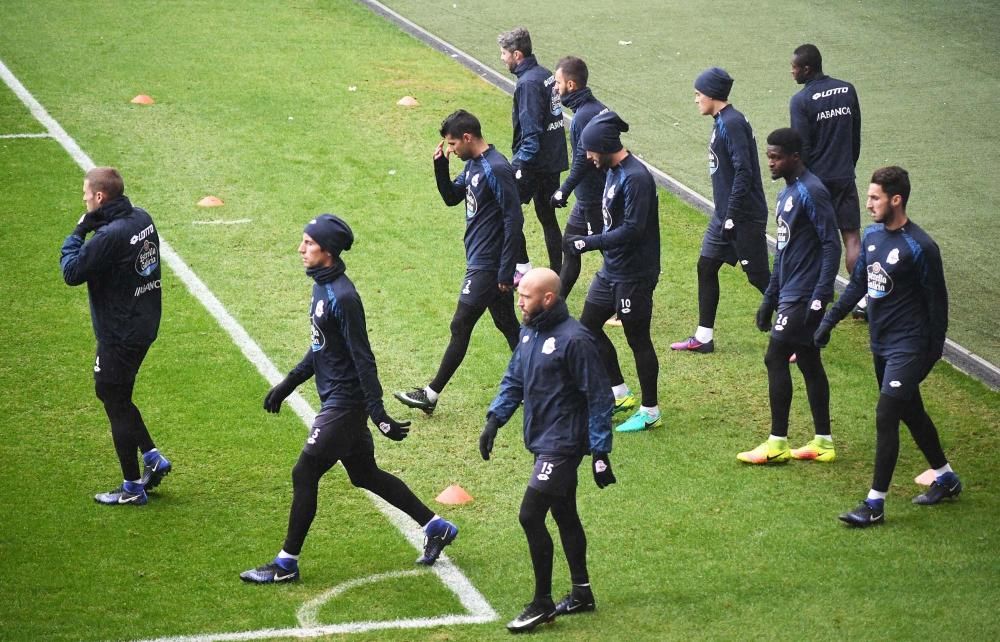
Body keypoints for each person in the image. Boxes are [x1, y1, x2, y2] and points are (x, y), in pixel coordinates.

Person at [241, 214, 458, 583]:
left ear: (327, 251)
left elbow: (363, 357)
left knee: (304, 472)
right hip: (340, 403)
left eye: (308, 243)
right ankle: (436, 525)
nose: (300, 249)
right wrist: (287, 384)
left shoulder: (343, 296)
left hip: (344, 404)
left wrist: (378, 412)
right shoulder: (320, 288)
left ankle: (285, 564)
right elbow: (320, 347)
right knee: (364, 474)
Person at [813, 167, 962, 527]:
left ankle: (874, 505)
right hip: (880, 344)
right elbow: (858, 284)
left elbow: (937, 305)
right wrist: (828, 322)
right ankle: (946, 478)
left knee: (886, 415)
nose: (868, 205)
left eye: (875, 198)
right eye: (868, 197)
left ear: (896, 199)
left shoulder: (921, 247)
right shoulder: (874, 236)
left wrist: (933, 352)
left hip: (910, 348)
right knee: (911, 412)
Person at [479, 268, 615, 633]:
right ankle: (582, 593)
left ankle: (541, 602)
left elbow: (599, 397)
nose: (519, 301)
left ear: (548, 299)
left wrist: (600, 453)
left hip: (563, 445)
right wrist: (495, 418)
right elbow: (514, 379)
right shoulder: (530, 331)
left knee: (530, 514)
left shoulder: (576, 340)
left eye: (525, 295)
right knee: (565, 514)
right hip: (543, 440)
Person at [395, 110, 522, 414]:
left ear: (467, 138)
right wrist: (441, 166)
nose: (451, 149)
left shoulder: (496, 168)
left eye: (452, 144)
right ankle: (542, 381)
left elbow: (514, 219)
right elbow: (452, 197)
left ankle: (431, 394)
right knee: (508, 325)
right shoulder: (475, 165)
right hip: (480, 259)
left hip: (488, 265)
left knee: (460, 323)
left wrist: (506, 270)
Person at [60, 167, 172, 506]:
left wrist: (81, 229)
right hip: (144, 322)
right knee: (116, 395)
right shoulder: (142, 218)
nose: (83, 200)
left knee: (113, 398)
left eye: (85, 195)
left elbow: (72, 271)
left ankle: (132, 487)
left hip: (120, 332)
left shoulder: (108, 236)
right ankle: (153, 457)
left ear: (99, 197)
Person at [737, 129, 841, 464]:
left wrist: (820, 296)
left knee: (775, 357)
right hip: (790, 293)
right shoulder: (787, 194)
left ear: (795, 156)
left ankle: (777, 443)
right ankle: (823, 442)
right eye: (769, 156)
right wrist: (769, 298)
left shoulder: (812, 191)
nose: (771, 162)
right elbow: (782, 252)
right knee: (809, 361)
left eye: (776, 156)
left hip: (805, 295)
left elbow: (831, 243)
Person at [565, 111, 662, 433]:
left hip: (634, 274)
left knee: (638, 340)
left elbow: (633, 230)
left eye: (591, 151)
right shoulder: (612, 171)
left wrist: (588, 243)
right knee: (588, 326)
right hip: (612, 270)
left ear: (605, 146)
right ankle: (619, 392)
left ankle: (650, 411)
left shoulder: (636, 178)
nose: (589, 157)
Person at [671, 67, 770, 353]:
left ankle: (800, 334)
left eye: (698, 94)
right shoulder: (722, 121)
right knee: (706, 265)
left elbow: (744, 171)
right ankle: (704, 338)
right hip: (724, 215)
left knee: (760, 278)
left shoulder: (732, 123)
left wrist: (731, 215)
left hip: (742, 216)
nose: (696, 100)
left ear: (712, 94)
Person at [789, 44, 865, 317]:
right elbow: (855, 136)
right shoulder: (847, 90)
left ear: (807, 68)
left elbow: (801, 148)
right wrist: (848, 165)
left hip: (817, 182)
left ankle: (815, 294)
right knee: (852, 236)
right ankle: (863, 299)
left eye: (794, 67)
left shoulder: (801, 100)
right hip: (844, 175)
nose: (792, 71)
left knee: (815, 241)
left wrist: (802, 182)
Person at [498, 27, 569, 281]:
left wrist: (516, 166)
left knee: (504, 211)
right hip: (553, 160)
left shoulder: (527, 84)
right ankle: (558, 274)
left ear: (517, 54)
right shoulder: (545, 75)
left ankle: (523, 268)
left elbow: (531, 133)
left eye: (504, 53)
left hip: (534, 163)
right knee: (547, 216)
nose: (502, 58)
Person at [549, 55, 609, 298]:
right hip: (588, 198)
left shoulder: (584, 116)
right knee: (570, 247)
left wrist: (564, 189)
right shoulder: (594, 108)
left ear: (571, 85)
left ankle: (623, 302)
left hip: (595, 198)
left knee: (611, 254)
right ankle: (556, 305)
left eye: (558, 82)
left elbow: (583, 161)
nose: (555, 87)